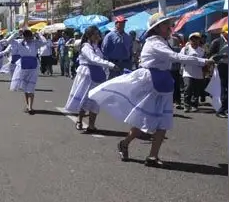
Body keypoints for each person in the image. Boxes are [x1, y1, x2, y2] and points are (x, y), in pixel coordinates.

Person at [88, 13, 213, 166]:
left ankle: (152, 156)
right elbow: (174, 56)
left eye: (169, 24)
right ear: (157, 28)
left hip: (164, 82)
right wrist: (204, 61)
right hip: (151, 82)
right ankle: (125, 143)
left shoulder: (162, 41)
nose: (170, 27)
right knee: (144, 120)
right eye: (166, 24)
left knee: (163, 122)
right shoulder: (154, 42)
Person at [64, 25, 116, 132]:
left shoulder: (97, 47)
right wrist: (110, 65)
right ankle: (79, 120)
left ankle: (91, 125)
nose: (98, 36)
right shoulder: (85, 47)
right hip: (87, 75)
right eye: (96, 34)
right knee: (85, 98)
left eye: (98, 34)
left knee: (96, 100)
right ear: (89, 35)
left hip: (97, 74)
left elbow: (99, 59)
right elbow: (93, 59)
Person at [7, 10, 50, 114]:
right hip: (23, 67)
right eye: (26, 35)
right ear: (23, 36)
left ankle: (30, 107)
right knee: (25, 88)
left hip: (33, 68)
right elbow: (8, 41)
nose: (28, 37)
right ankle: (28, 106)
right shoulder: (19, 42)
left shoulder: (35, 43)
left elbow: (45, 42)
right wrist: (17, 32)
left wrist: (38, 34)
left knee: (31, 88)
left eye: (29, 35)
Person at [181, 32, 206, 112]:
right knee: (187, 88)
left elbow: (205, 61)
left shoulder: (202, 50)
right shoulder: (185, 49)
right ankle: (186, 105)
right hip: (187, 72)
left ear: (199, 40)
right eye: (193, 39)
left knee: (196, 91)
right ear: (190, 40)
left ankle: (194, 105)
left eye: (197, 39)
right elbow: (180, 58)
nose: (195, 41)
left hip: (198, 73)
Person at [208, 25, 229, 117]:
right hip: (221, 66)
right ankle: (221, 110)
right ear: (223, 33)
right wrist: (222, 55)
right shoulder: (217, 42)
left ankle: (226, 108)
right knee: (222, 89)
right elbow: (210, 55)